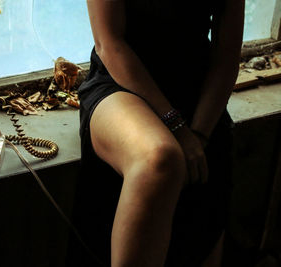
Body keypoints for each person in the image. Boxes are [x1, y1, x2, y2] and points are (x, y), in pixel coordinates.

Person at [66, 0, 244, 266]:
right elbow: (110, 44)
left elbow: (226, 59)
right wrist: (178, 128)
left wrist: (201, 133)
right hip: (121, 83)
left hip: (195, 93)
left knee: (209, 165)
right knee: (160, 158)